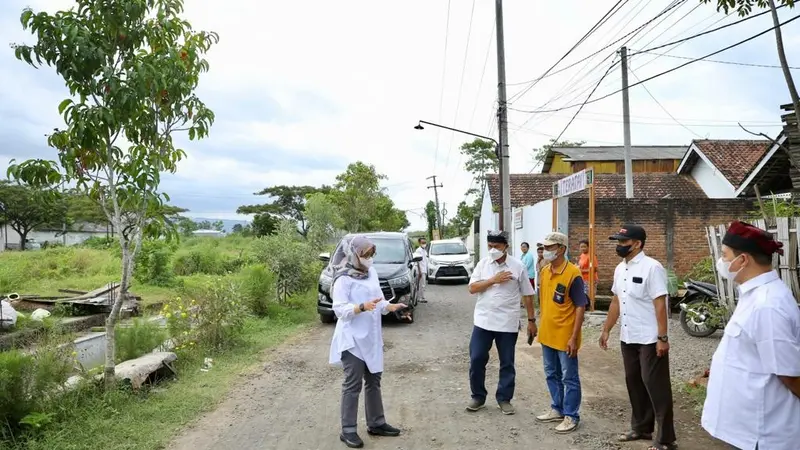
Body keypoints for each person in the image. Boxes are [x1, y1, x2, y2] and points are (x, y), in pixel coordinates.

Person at [701, 221, 800, 450]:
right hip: (745, 430)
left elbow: (790, 374)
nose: (721, 262)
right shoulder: (754, 296)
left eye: (725, 256)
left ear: (743, 260)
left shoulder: (768, 305)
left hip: (761, 434)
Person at [600, 224, 676, 450]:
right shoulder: (619, 269)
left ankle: (665, 439)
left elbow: (660, 304)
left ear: (637, 244)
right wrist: (606, 329)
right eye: (618, 242)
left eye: (623, 243)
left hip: (650, 337)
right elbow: (616, 301)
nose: (619, 246)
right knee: (633, 381)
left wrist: (662, 337)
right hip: (628, 335)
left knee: (655, 385)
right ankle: (642, 427)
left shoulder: (652, 268)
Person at [328, 235, 408, 448]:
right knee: (352, 385)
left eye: (372, 254)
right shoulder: (343, 278)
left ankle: (377, 423)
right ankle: (348, 430)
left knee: (374, 381)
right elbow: (339, 309)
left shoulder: (370, 272)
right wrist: (361, 307)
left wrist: (391, 307)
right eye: (365, 254)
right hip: (352, 340)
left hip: (371, 337)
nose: (369, 258)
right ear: (353, 254)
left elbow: (379, 300)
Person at [466, 230, 536, 415]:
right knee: (477, 358)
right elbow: (472, 288)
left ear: (506, 246)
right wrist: (493, 280)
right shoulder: (483, 264)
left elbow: (528, 295)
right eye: (490, 246)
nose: (493, 250)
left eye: (496, 246)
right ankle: (478, 396)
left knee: (507, 362)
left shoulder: (518, 266)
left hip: (507, 322)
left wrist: (531, 320)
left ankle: (504, 399)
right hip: (483, 321)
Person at [534, 232, 588, 434]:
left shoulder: (573, 274)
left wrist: (574, 337)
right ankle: (557, 408)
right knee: (551, 373)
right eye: (545, 247)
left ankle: (571, 415)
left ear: (562, 249)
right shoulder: (546, 271)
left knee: (569, 377)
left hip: (565, 336)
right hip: (547, 333)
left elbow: (580, 307)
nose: (546, 251)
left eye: (550, 247)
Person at [520, 241, 536, 307]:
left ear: (528, 248)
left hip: (529, 275)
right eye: (522, 247)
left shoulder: (529, 255)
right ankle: (525, 304)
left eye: (524, 247)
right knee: (525, 290)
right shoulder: (523, 255)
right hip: (524, 275)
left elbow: (526, 266)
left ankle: (529, 304)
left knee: (529, 290)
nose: (523, 248)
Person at [414, 237, 429, 304]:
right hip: (421, 270)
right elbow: (417, 262)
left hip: (424, 270)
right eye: (422, 243)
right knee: (421, 285)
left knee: (423, 284)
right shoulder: (418, 250)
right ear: (419, 243)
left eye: (425, 242)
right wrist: (419, 271)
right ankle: (420, 298)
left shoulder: (424, 250)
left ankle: (422, 297)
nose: (424, 244)